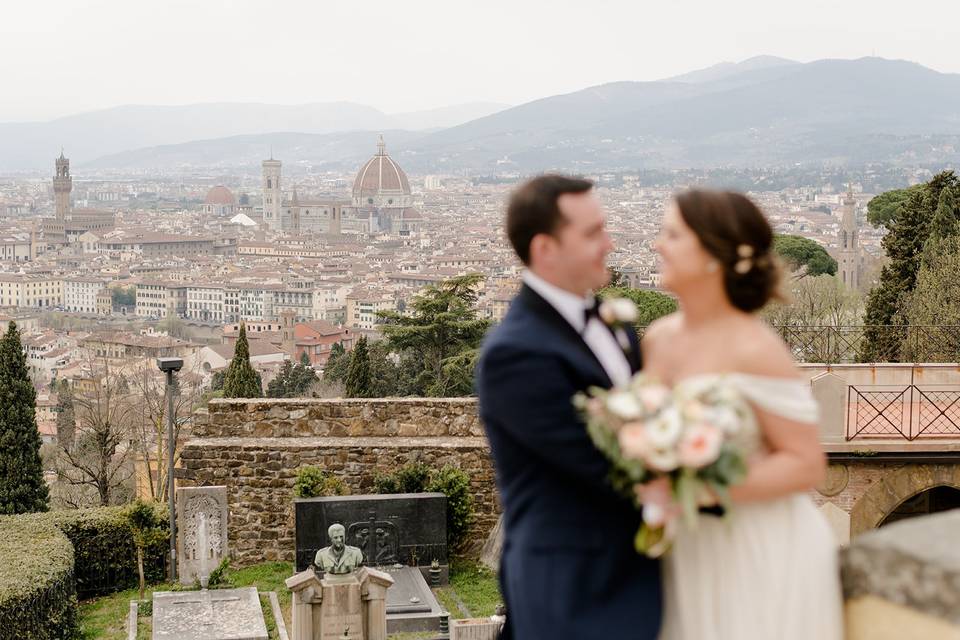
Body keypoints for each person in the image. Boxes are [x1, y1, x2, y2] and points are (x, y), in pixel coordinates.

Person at [644, 189, 843, 639]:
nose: (657, 245)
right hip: (689, 550)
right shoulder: (658, 338)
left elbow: (806, 463)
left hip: (761, 549)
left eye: (672, 234)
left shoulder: (756, 349)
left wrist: (701, 490)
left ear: (714, 254)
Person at [476, 175, 661, 640]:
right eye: (593, 233)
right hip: (571, 585)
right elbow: (598, 465)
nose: (610, 243)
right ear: (545, 249)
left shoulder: (611, 322)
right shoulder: (516, 352)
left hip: (634, 573)